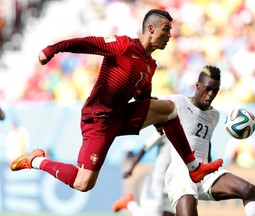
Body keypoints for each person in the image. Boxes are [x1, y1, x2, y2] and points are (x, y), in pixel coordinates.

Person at [10, 9, 222, 192]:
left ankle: (194, 168)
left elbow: (143, 97)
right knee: (83, 184)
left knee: (168, 108)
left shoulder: (150, 65)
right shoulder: (122, 45)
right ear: (150, 29)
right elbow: (87, 43)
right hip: (98, 120)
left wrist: (159, 119)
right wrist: (52, 49)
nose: (169, 35)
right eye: (166, 29)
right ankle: (36, 160)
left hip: (121, 115)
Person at [163, 65, 255, 216]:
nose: (211, 94)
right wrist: (158, 121)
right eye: (208, 89)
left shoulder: (214, 115)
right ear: (197, 86)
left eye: (215, 91)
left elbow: (205, 141)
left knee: (248, 190)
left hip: (203, 172)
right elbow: (152, 104)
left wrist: (209, 163)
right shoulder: (179, 102)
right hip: (181, 172)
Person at [113, 130, 174, 216]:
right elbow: (145, 147)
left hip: (174, 181)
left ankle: (129, 204)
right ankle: (130, 204)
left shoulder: (190, 128)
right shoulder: (166, 128)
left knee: (169, 213)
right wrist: (131, 167)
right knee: (152, 213)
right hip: (158, 179)